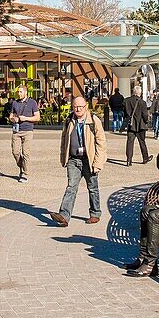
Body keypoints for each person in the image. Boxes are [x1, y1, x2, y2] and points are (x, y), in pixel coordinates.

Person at [49, 96, 107, 227]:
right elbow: (64, 139)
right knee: (71, 187)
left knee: (93, 188)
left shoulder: (94, 121)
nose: (78, 109)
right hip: (73, 160)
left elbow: (101, 142)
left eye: (80, 107)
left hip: (89, 160)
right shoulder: (69, 120)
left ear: (86, 107)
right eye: (75, 107)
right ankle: (64, 216)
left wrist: (98, 162)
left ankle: (95, 213)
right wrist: (64, 157)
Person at [8, 85, 40, 183]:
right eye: (18, 92)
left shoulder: (32, 102)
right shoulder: (14, 103)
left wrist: (25, 118)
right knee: (15, 152)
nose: (19, 93)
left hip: (28, 130)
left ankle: (24, 173)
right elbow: (11, 115)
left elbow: (37, 118)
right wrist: (13, 119)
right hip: (16, 130)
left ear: (26, 92)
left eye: (21, 92)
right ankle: (22, 165)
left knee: (26, 153)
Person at [123, 85, 151, 166]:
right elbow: (145, 115)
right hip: (140, 125)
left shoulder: (126, 101)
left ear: (133, 92)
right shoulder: (142, 102)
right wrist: (146, 122)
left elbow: (124, 112)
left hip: (131, 125)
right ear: (140, 93)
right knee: (142, 142)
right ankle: (145, 158)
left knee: (129, 142)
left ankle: (129, 160)